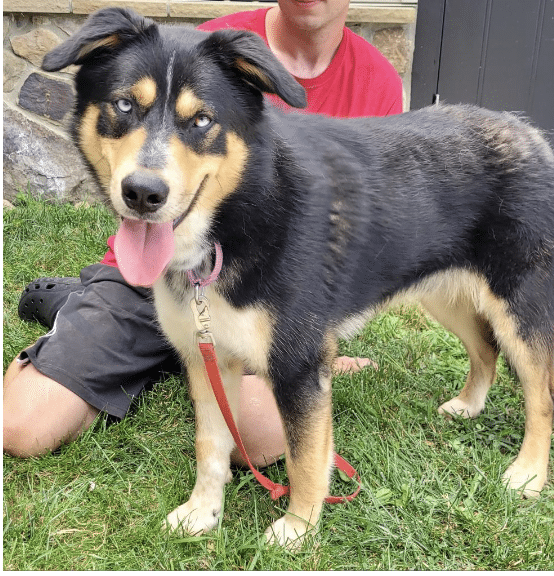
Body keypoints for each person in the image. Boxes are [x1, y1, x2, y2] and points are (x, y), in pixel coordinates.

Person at [3, 0, 403, 465]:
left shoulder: (376, 80)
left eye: (198, 120)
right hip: (146, 272)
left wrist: (315, 338)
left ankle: (163, 352)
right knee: (20, 427)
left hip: (252, 287)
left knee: (262, 437)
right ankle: (100, 314)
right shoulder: (194, 50)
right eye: (130, 106)